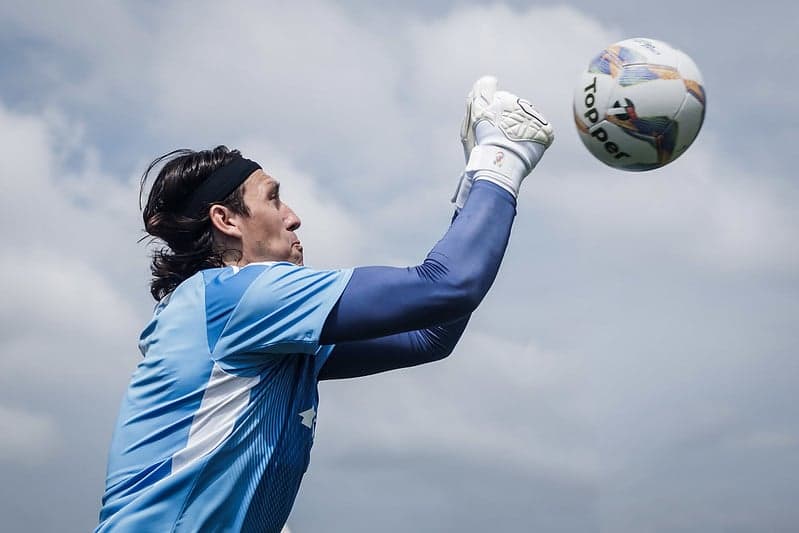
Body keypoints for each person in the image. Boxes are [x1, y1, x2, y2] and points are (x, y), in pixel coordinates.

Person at [97, 76, 554, 532]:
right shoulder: (237, 297)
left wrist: (475, 186)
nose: (293, 216)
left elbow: (428, 334)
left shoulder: (254, 325)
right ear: (227, 220)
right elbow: (449, 285)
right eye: (273, 198)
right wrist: (503, 156)